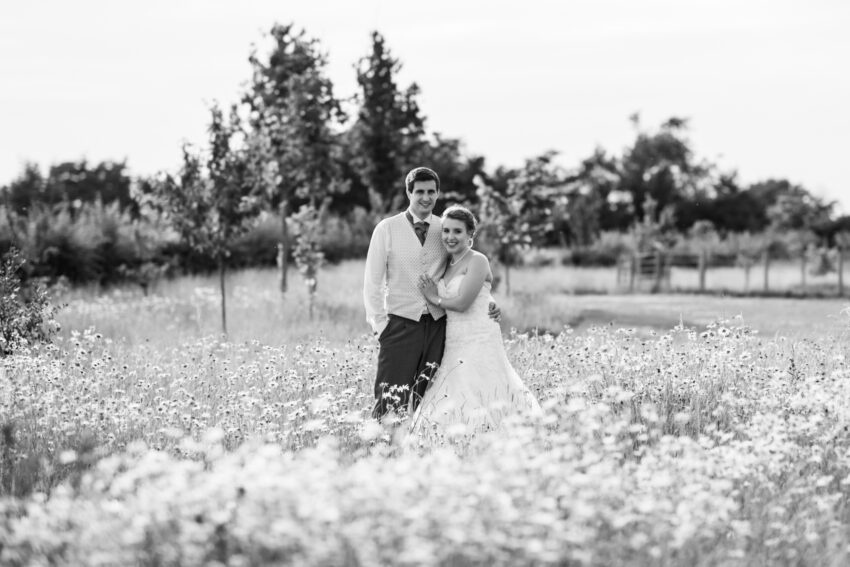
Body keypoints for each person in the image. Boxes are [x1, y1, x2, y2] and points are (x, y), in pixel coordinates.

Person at [363, 167, 500, 420]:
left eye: (431, 192)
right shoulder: (386, 228)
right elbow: (372, 282)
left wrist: (487, 302)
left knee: (430, 398)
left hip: (439, 327)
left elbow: (465, 268)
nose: (425, 198)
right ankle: (381, 451)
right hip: (400, 324)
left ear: (438, 194)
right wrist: (380, 326)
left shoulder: (445, 227)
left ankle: (416, 451)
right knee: (390, 396)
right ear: (409, 192)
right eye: (419, 192)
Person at [411, 205, 541, 436]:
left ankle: (490, 433)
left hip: (479, 333)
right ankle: (451, 436)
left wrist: (434, 297)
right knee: (454, 382)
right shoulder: (445, 263)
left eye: (457, 231)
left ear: (470, 234)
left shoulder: (477, 260)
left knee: (480, 381)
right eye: (446, 231)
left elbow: (463, 303)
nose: (450, 237)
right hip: (454, 336)